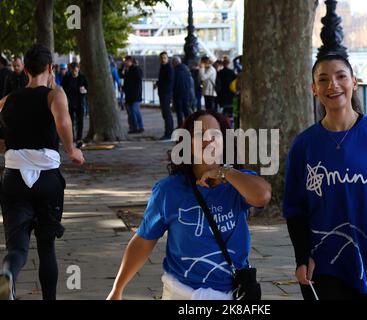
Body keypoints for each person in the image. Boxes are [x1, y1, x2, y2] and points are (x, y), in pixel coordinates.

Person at [283, 53, 367, 300]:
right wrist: (302, 257)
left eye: (340, 76)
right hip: (325, 262)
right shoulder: (304, 145)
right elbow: (295, 210)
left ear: (354, 82)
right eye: (323, 80)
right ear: (314, 89)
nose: (332, 85)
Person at [107, 110, 271, 300]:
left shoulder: (238, 184)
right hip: (183, 293)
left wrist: (224, 172)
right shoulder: (168, 191)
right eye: (201, 135)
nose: (208, 141)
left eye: (215, 135)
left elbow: (263, 196)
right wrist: (117, 289)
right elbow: (144, 241)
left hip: (233, 294)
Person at [0, 44, 85, 300]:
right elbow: (63, 121)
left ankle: (8, 274)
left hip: (14, 179)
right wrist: (72, 149)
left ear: (24, 69)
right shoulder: (54, 95)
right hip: (47, 180)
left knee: (17, 247)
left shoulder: (6, 101)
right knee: (47, 248)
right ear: (50, 68)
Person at [61, 62, 88, 147]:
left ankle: (79, 139)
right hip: (70, 103)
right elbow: (62, 88)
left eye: (76, 71)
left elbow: (87, 88)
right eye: (73, 71)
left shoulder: (82, 78)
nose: (75, 72)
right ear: (71, 70)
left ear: (78, 69)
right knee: (70, 122)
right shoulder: (67, 78)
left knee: (80, 121)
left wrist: (84, 91)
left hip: (80, 102)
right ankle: (72, 139)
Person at [122, 56, 144, 134]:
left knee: (134, 111)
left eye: (125, 61)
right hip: (130, 95)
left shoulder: (135, 69)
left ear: (130, 61)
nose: (124, 63)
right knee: (132, 112)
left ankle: (137, 127)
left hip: (134, 95)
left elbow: (137, 82)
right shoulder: (127, 70)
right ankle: (135, 127)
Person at [156, 52, 174, 140]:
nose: (163, 59)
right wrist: (158, 84)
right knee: (165, 114)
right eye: (162, 58)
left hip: (166, 94)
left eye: (164, 58)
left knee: (167, 114)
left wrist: (160, 84)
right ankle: (168, 132)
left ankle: (169, 133)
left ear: (167, 58)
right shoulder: (163, 67)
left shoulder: (169, 68)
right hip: (163, 93)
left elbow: (169, 81)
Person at [172, 56, 193, 128]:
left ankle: (180, 125)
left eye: (173, 63)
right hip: (186, 93)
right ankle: (188, 125)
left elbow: (174, 83)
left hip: (178, 94)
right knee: (186, 110)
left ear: (175, 62)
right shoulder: (186, 69)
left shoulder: (175, 70)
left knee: (179, 112)